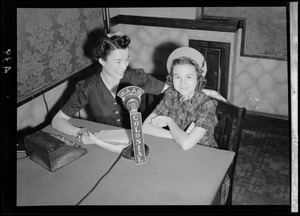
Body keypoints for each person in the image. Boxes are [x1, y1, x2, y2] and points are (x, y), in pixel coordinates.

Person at [51, 29, 226, 153]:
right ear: (102, 61)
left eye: (126, 59)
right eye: (118, 61)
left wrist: (206, 93)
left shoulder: (135, 77)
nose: (125, 66)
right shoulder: (87, 87)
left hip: (145, 142)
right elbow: (57, 120)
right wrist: (78, 132)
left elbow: (175, 90)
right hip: (107, 142)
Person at [142, 47, 229, 204]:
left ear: (198, 78)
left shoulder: (207, 104)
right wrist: (179, 136)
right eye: (177, 77)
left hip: (206, 158)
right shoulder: (170, 96)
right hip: (178, 153)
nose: (182, 83)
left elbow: (188, 144)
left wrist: (169, 122)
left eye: (189, 77)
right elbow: (144, 128)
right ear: (171, 78)